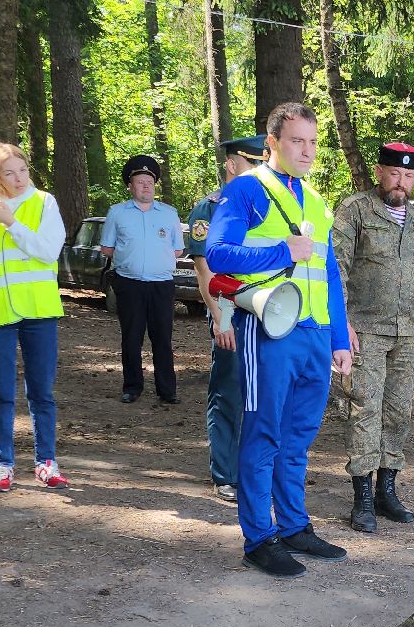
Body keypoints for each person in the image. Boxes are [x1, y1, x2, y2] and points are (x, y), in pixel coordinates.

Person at [204, 102, 353, 579]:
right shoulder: (248, 189)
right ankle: (258, 538)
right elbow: (217, 253)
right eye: (297, 141)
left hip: (311, 334)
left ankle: (293, 525)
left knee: (299, 437)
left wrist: (338, 336)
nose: (307, 150)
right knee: (264, 431)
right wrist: (279, 249)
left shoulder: (315, 199)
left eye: (312, 142)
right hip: (268, 329)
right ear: (273, 143)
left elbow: (328, 273)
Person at [334, 142, 414, 532]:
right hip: (363, 331)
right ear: (381, 171)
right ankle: (362, 496)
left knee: (398, 412)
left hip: (404, 335)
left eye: (409, 176)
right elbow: (336, 270)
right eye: (395, 174)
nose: (401, 182)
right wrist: (341, 323)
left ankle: (387, 490)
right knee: (364, 409)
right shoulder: (356, 210)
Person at [0, 143, 69, 493]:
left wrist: (12, 223)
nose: (18, 179)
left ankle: (46, 462)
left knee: (41, 392)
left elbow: (48, 251)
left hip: (38, 310)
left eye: (22, 170)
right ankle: (2, 463)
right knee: (0, 393)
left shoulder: (43, 202)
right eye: (9, 173)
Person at [186, 135, 268, 504]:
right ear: (231, 165)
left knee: (262, 393)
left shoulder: (268, 203)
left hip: (267, 310)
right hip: (230, 310)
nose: (256, 171)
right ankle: (225, 473)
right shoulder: (209, 209)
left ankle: (252, 468)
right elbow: (204, 270)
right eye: (250, 164)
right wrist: (220, 318)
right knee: (229, 391)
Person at [100, 155, 182, 404]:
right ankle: (132, 387)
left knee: (162, 338)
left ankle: (167, 390)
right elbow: (107, 248)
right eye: (140, 182)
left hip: (161, 285)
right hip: (130, 284)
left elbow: (178, 249)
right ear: (130, 186)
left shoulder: (169, 214)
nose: (146, 186)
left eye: (150, 181)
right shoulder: (117, 213)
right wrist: (131, 259)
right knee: (131, 338)